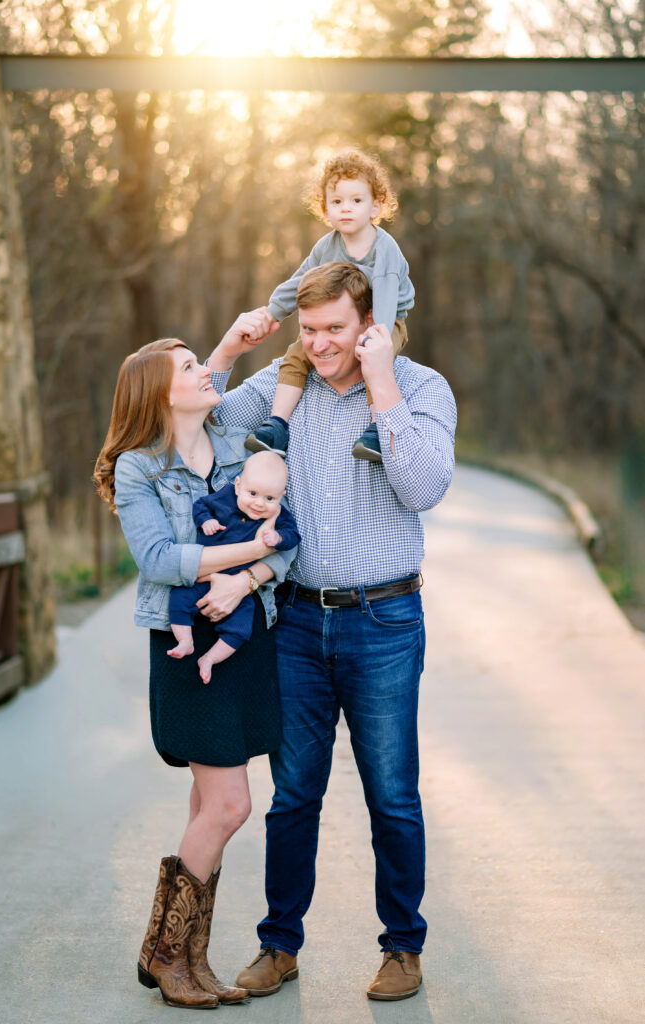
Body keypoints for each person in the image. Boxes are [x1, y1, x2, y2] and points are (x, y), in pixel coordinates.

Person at [206, 262, 457, 1002]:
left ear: (370, 324)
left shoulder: (419, 388)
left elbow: (422, 487)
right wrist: (224, 352)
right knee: (293, 796)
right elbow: (200, 420)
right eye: (309, 330)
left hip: (384, 620)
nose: (317, 345)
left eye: (334, 331)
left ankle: (401, 948)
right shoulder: (289, 390)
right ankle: (278, 945)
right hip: (293, 622)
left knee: (392, 795)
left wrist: (381, 386)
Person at [93, 329, 297, 1010]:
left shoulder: (239, 450)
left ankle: (190, 958)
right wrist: (241, 558)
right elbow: (158, 560)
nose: (204, 371)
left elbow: (286, 538)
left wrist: (251, 575)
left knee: (208, 806)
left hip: (244, 637)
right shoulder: (136, 468)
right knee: (232, 804)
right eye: (189, 366)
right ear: (160, 392)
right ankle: (164, 951)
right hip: (185, 646)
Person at [244, 150, 415, 463]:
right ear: (325, 208)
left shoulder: (384, 248)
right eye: (337, 202)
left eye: (356, 201)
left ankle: (377, 430)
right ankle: (277, 425)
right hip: (341, 322)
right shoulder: (327, 246)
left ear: (376, 205)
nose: (346, 209)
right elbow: (301, 280)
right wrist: (272, 312)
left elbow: (388, 295)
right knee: (296, 354)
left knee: (373, 358)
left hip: (386, 320)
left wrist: (379, 338)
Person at [167, 450, 301, 682]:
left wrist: (278, 538)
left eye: (270, 498)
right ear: (238, 485)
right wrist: (206, 520)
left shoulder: (280, 515)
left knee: (241, 629)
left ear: (281, 496)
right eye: (253, 493)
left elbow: (293, 536)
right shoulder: (224, 497)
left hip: (239, 583)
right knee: (179, 599)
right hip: (205, 574)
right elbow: (201, 505)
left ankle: (209, 658)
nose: (259, 503)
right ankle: (185, 640)